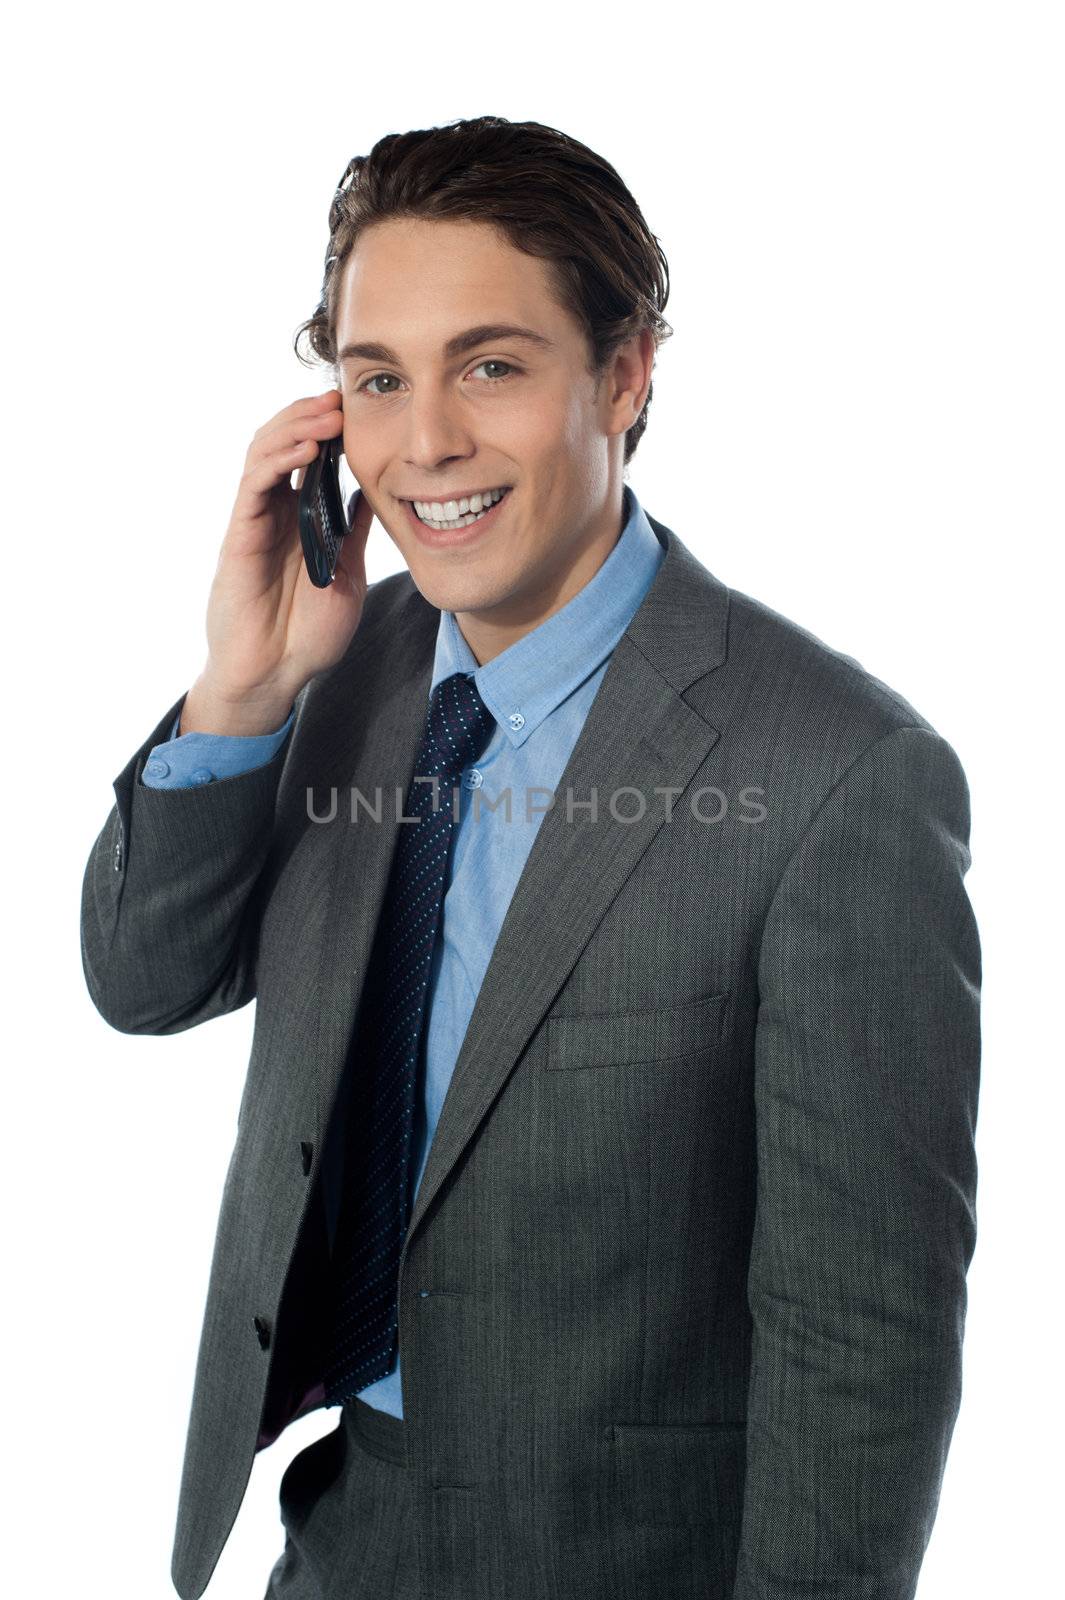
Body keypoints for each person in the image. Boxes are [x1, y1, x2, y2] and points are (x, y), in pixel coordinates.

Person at [80, 116, 981, 1600]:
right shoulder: (347, 673)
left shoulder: (840, 775)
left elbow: (863, 1342)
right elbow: (144, 981)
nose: (424, 441)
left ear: (623, 377)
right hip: (338, 1542)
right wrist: (239, 691)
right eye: (379, 379)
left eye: (489, 366)